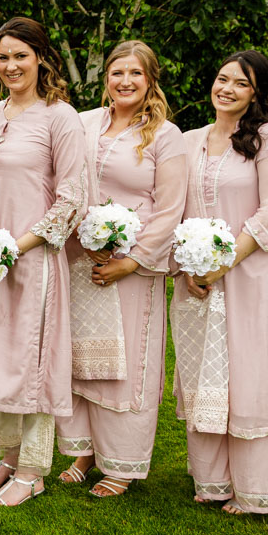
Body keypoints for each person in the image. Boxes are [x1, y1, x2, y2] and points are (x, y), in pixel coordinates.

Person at [54, 40, 187, 496]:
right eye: (117, 73)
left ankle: (122, 462)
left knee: (127, 363)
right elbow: (66, 180)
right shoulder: (86, 123)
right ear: (105, 78)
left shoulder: (166, 136)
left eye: (135, 73)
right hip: (82, 259)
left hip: (133, 267)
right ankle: (84, 450)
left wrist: (129, 261)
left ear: (150, 79)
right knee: (83, 357)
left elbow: (170, 209)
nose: (125, 82)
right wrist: (82, 239)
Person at [0, 16, 86, 507]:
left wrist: (18, 245)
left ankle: (34, 469)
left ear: (41, 58)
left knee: (31, 359)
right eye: (3, 57)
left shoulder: (61, 118)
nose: (11, 65)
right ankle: (9, 457)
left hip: (32, 259)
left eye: (20, 55)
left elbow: (72, 197)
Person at [173, 50, 268, 514]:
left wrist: (223, 263)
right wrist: (188, 265)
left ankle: (256, 486)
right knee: (203, 371)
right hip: (195, 276)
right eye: (222, 78)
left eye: (240, 84)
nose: (225, 88)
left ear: (256, 93)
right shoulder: (189, 140)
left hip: (249, 274)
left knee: (247, 375)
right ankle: (212, 480)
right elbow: (178, 209)